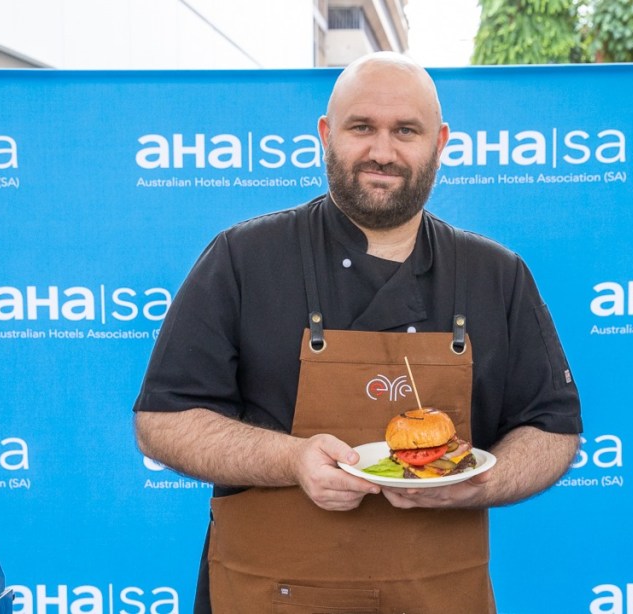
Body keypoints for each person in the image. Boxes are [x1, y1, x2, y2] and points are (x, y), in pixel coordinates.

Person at [133, 51, 582, 613]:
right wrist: (291, 460)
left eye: (406, 131)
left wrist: (479, 484)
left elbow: (553, 428)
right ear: (327, 133)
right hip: (272, 596)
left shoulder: (496, 274)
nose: (382, 152)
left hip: (436, 596)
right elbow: (162, 422)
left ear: (440, 142)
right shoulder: (243, 259)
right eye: (362, 127)